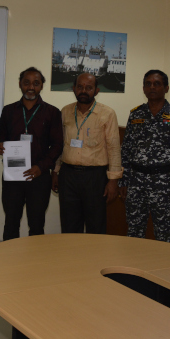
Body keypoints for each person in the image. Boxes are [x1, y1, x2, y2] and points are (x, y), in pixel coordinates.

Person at [119, 70, 170, 242]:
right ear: (143, 88)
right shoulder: (136, 114)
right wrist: (123, 181)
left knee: (163, 233)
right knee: (134, 231)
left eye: (157, 84)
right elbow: (126, 151)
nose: (152, 87)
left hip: (164, 183)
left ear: (166, 88)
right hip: (136, 182)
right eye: (148, 84)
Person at [0, 67, 63, 240]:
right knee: (11, 222)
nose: (31, 87)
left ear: (41, 86)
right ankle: (10, 257)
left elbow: (57, 145)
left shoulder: (52, 112)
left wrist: (41, 167)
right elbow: (0, 138)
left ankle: (35, 258)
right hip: (13, 177)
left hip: (39, 177)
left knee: (37, 224)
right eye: (27, 83)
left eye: (36, 83)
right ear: (20, 84)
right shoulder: (8, 111)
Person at [52, 73, 122, 234]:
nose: (83, 91)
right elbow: (60, 144)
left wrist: (113, 180)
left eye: (89, 87)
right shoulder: (65, 111)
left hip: (95, 177)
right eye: (80, 87)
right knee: (69, 225)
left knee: (96, 225)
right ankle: (71, 251)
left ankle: (94, 252)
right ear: (74, 89)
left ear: (96, 90)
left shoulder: (107, 113)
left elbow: (114, 148)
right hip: (68, 176)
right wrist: (55, 171)